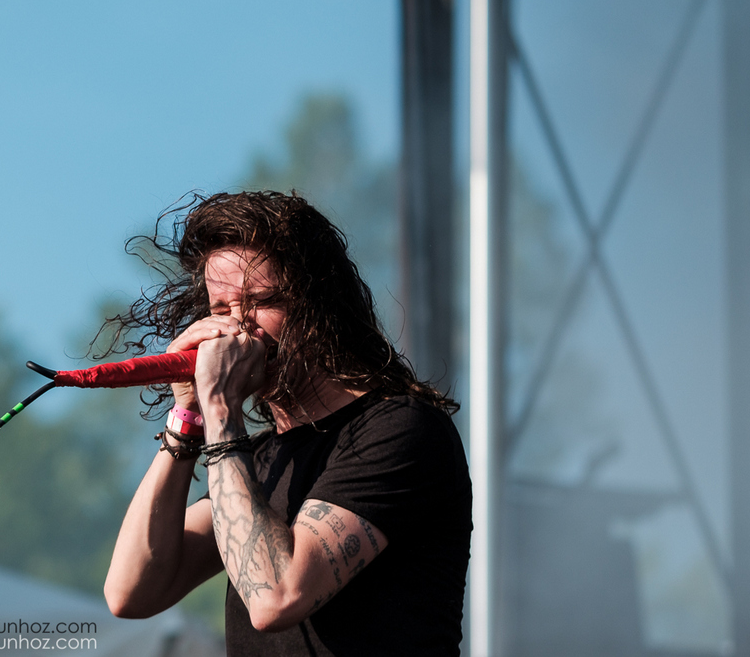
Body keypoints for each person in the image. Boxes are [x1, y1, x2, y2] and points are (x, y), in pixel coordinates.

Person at [102, 191, 472, 656]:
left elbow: (276, 598)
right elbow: (131, 594)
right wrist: (188, 419)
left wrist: (220, 409)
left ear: (319, 309)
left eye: (261, 301)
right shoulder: (250, 458)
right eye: (220, 308)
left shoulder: (398, 428)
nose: (236, 329)